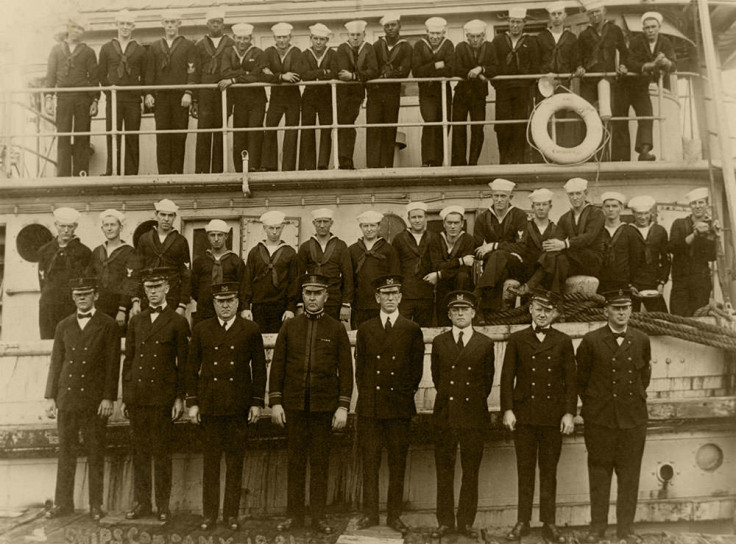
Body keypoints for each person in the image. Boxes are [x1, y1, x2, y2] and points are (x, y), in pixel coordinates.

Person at [269, 274, 353, 534]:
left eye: (318, 293)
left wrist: (342, 407)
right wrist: (276, 403)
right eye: (308, 293)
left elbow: (346, 371)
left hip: (323, 409)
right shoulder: (290, 327)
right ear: (302, 296)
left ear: (326, 297)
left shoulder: (336, 328)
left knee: (320, 463)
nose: (313, 298)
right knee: (295, 463)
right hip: (294, 408)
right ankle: (294, 516)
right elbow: (278, 367)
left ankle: (318, 516)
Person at [186, 282, 267, 531]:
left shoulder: (250, 330)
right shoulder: (202, 330)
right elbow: (191, 369)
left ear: (237, 302)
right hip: (210, 406)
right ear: (213, 303)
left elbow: (259, 369)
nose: (225, 305)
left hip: (238, 406)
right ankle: (209, 515)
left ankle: (231, 514)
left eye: (230, 300)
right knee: (210, 464)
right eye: (220, 301)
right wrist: (193, 403)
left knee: (235, 463)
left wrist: (256, 403)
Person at [501, 288, 576, 543]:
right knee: (525, 471)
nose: (542, 314)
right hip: (523, 416)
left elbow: (570, 382)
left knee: (549, 471)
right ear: (530, 309)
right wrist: (508, 409)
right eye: (538, 309)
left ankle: (549, 523)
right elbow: (506, 377)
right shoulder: (517, 339)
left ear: (554, 313)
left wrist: (568, 413)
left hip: (553, 417)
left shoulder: (564, 341)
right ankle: (522, 522)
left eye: (548, 310)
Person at [577, 288, 651, 543]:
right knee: (599, 475)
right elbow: (582, 382)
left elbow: (644, 379)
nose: (621, 313)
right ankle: (597, 528)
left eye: (626, 308)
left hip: (633, 422)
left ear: (631, 310)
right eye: (616, 308)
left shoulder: (641, 340)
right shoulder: (591, 341)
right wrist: (597, 409)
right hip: (601, 421)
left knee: (630, 476)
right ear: (606, 311)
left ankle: (626, 530)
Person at [44, 277, 120, 521]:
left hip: (94, 400)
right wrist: (50, 397)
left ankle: (96, 505)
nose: (82, 298)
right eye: (78, 295)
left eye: (87, 294)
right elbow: (56, 363)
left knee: (95, 451)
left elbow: (112, 365)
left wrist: (108, 397)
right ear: (73, 297)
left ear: (95, 295)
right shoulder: (63, 325)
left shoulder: (108, 325)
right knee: (65, 452)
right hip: (67, 397)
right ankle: (62, 503)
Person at [354, 274, 424, 533]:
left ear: (401, 297)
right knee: (369, 462)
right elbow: (360, 370)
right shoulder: (366, 328)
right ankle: (369, 514)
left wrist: (401, 395)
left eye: (395, 293)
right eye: (385, 294)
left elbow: (415, 372)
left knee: (397, 462)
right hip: (371, 407)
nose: (391, 298)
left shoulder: (411, 329)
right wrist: (369, 397)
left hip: (398, 407)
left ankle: (395, 516)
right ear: (377, 298)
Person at [122, 268, 190, 522]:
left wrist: (179, 398)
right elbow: (128, 361)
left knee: (161, 453)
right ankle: (142, 503)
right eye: (149, 287)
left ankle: (163, 505)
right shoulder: (136, 321)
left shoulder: (177, 321)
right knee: (139, 453)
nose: (153, 292)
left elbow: (182, 365)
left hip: (162, 398)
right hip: (138, 397)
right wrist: (127, 396)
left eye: (157, 286)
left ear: (167, 289)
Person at [430, 291, 495, 539]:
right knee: (444, 470)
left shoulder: (485, 343)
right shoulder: (439, 342)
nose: (460, 314)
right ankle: (445, 521)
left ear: (473, 313)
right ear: (449, 314)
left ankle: (466, 522)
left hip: (473, 416)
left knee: (470, 471)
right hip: (445, 414)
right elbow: (438, 378)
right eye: (455, 310)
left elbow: (486, 383)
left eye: (464, 310)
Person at [477, 188, 557, 315]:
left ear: (550, 206)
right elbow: (518, 247)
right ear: (532, 207)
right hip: (525, 271)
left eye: (544, 204)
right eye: (537, 205)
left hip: (547, 274)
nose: (541, 208)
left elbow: (521, 247)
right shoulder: (526, 226)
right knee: (526, 313)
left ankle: (479, 297)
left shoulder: (556, 230)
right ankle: (490, 308)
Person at [526, 177, 605, 294]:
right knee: (558, 258)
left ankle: (530, 286)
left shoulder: (596, 213)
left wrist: (565, 244)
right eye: (571, 194)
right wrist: (550, 245)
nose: (575, 197)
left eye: (578, 193)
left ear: (586, 194)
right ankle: (556, 298)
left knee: (561, 253)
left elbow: (589, 237)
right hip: (574, 262)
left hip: (592, 260)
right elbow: (556, 239)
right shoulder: (565, 218)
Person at [45, 15, 99, 177]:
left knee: (82, 135)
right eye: (74, 27)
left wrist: (95, 99)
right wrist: (48, 97)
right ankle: (63, 175)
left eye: (80, 29)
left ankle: (81, 172)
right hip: (63, 97)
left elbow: (94, 77)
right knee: (63, 135)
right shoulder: (56, 50)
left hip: (83, 98)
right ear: (68, 27)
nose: (77, 31)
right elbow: (51, 75)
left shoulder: (88, 52)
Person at [143, 11, 197, 175]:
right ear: (163, 24)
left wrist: (188, 92)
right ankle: (164, 175)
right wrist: (149, 93)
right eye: (167, 22)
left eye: (173, 22)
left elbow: (192, 70)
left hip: (181, 97)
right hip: (161, 97)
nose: (170, 25)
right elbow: (149, 72)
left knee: (179, 135)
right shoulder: (154, 47)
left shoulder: (188, 45)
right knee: (163, 135)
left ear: (179, 23)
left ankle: (176, 174)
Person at [576, 0, 629, 162]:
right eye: (591, 13)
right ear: (588, 16)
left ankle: (618, 158)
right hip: (590, 83)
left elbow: (624, 52)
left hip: (610, 81)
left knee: (614, 117)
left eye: (597, 12)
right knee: (590, 119)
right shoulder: (584, 35)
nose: (595, 15)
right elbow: (577, 57)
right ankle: (593, 157)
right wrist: (579, 67)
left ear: (604, 11)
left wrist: (623, 65)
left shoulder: (614, 30)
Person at [98, 9, 146, 175]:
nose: (125, 27)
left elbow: (145, 75)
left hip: (133, 99)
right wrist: (109, 91)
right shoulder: (106, 48)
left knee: (132, 136)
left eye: (128, 24)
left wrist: (141, 94)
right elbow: (100, 74)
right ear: (116, 25)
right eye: (122, 24)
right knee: (113, 135)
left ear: (133, 27)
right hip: (114, 98)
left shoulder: (140, 50)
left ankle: (132, 173)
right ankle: (113, 171)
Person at [625, 12, 676, 161]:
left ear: (659, 27)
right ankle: (627, 155)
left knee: (647, 116)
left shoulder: (666, 43)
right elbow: (630, 63)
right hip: (632, 84)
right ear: (643, 29)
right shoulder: (636, 42)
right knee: (630, 117)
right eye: (647, 28)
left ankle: (644, 151)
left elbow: (674, 65)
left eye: (653, 27)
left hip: (649, 86)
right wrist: (651, 65)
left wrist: (666, 62)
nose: (650, 30)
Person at [491, 8, 539, 164]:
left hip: (522, 91)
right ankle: (504, 161)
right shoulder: (498, 41)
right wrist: (498, 83)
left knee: (520, 125)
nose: (515, 25)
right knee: (503, 126)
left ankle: (519, 161)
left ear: (524, 23)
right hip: (503, 91)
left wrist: (524, 83)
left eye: (518, 22)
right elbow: (492, 64)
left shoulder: (531, 42)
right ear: (508, 22)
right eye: (512, 22)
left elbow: (535, 67)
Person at [474, 178, 528, 311]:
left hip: (515, 264)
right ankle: (492, 312)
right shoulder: (483, 218)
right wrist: (488, 251)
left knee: (498, 254)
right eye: (496, 196)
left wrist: (494, 246)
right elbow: (477, 249)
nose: (499, 199)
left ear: (510, 197)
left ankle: (477, 295)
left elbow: (522, 247)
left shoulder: (519, 216)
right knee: (498, 264)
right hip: (493, 266)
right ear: (492, 197)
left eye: (503, 196)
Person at [38, 207, 92, 339]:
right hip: (48, 305)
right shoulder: (45, 250)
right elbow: (42, 278)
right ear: (56, 225)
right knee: (49, 342)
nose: (66, 230)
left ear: (75, 227)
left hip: (71, 306)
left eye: (70, 226)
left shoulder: (84, 252)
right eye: (62, 226)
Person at [366, 13, 412, 168]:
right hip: (375, 93)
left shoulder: (406, 46)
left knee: (389, 130)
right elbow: (372, 68)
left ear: (399, 26)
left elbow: (404, 70)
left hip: (392, 93)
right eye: (387, 26)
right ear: (383, 28)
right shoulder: (377, 45)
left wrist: (387, 74)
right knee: (373, 129)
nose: (390, 29)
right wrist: (390, 71)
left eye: (393, 25)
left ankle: (386, 166)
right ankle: (372, 166)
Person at [220, 23, 266, 172]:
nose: (242, 42)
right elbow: (225, 73)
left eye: (245, 38)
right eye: (239, 38)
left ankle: (254, 166)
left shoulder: (258, 52)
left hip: (257, 99)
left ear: (250, 38)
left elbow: (257, 75)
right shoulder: (228, 52)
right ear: (234, 38)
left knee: (254, 132)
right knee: (239, 135)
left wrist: (235, 79)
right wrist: (246, 73)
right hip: (239, 100)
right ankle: (240, 168)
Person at [242, 211, 299, 333]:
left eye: (278, 228)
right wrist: (246, 307)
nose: (274, 232)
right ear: (264, 228)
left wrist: (290, 308)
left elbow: (294, 282)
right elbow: (247, 280)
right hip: (259, 306)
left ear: (282, 228)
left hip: (281, 307)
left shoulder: (290, 253)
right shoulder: (255, 252)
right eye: (271, 228)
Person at [536, 2, 583, 149]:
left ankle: (559, 151)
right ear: (549, 17)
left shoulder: (571, 38)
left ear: (565, 16)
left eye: (559, 14)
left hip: (563, 83)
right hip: (544, 84)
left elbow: (576, 60)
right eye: (553, 14)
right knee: (543, 117)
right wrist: (543, 74)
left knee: (561, 117)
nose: (556, 17)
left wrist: (579, 67)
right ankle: (545, 152)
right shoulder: (541, 37)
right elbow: (535, 61)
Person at [194, 8, 234, 174]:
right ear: (207, 24)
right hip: (205, 94)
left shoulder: (231, 43)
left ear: (223, 24)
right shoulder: (199, 45)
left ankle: (219, 170)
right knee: (203, 131)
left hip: (224, 93)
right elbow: (194, 72)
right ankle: (201, 171)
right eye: (212, 22)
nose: (216, 25)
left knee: (220, 132)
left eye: (219, 22)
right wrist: (195, 99)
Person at [452, 19, 496, 166]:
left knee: (478, 129)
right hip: (461, 95)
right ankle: (460, 164)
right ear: (467, 36)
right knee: (459, 129)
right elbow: (456, 68)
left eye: (478, 36)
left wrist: (481, 69)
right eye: (472, 36)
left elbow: (496, 67)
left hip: (479, 95)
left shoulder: (490, 48)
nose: (475, 40)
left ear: (483, 36)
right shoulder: (460, 47)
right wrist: (474, 72)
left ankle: (473, 163)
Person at [668, 187, 718, 317]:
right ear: (690, 205)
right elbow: (672, 248)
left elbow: (712, 256)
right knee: (679, 316)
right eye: (694, 203)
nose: (698, 206)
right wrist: (695, 234)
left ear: (706, 204)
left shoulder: (711, 226)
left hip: (701, 281)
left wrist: (711, 235)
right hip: (681, 280)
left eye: (701, 202)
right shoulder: (679, 224)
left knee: (699, 316)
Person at [296, 208, 353, 321]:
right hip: (311, 300)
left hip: (334, 300)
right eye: (319, 222)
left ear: (331, 223)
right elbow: (299, 276)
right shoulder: (305, 247)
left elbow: (348, 276)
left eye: (325, 222)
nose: (322, 225)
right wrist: (299, 304)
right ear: (314, 223)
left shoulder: (341, 246)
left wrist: (346, 304)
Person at [335, 20, 378, 169]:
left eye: (358, 35)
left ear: (364, 35)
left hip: (357, 94)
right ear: (348, 35)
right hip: (342, 94)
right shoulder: (342, 48)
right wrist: (361, 74)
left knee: (348, 123)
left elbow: (373, 70)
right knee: (344, 124)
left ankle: (346, 159)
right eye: (352, 35)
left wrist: (354, 76)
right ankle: (344, 160)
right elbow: (342, 72)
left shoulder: (369, 49)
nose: (355, 38)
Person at [136, 199, 191, 314]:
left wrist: (182, 304)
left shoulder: (181, 241)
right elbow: (137, 270)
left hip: (172, 298)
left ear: (175, 217)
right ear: (156, 215)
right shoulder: (145, 239)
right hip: (148, 297)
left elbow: (186, 275)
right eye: (163, 214)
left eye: (170, 215)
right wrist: (136, 300)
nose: (166, 219)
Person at [412, 17, 455, 167]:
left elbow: (451, 69)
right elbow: (416, 71)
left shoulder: (448, 44)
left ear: (443, 33)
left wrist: (428, 69)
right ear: (427, 32)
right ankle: (428, 161)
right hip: (427, 93)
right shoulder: (419, 46)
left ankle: (439, 161)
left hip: (444, 92)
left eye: (438, 33)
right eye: (432, 33)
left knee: (444, 125)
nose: (435, 37)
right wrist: (437, 65)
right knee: (430, 123)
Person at [88, 209, 141, 327]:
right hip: (99, 306)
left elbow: (131, 281)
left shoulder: (129, 252)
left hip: (119, 307)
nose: (109, 228)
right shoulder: (97, 252)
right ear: (102, 229)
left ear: (120, 228)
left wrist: (122, 309)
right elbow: (90, 278)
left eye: (113, 224)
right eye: (106, 225)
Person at [260, 22, 302, 172]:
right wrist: (282, 76)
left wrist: (274, 75)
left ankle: (288, 167)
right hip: (276, 97)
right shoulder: (269, 52)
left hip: (293, 98)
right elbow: (264, 72)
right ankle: (269, 165)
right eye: (279, 37)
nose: (282, 40)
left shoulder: (296, 52)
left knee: (291, 131)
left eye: (284, 37)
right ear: (274, 38)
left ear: (290, 37)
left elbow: (297, 74)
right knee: (270, 128)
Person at [426, 206, 476, 326]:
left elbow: (466, 269)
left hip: (462, 286)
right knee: (443, 321)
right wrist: (460, 261)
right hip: (443, 287)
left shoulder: (468, 240)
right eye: (449, 223)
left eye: (456, 223)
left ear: (462, 224)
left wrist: (440, 274)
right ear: (444, 224)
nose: (453, 226)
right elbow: (437, 265)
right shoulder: (436, 240)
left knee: (462, 275)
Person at [349, 210, 400, 328]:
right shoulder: (352, 250)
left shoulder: (388, 250)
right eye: (365, 226)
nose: (369, 229)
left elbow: (394, 276)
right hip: (359, 303)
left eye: (372, 225)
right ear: (360, 227)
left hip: (382, 303)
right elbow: (349, 278)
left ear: (378, 227)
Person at [191, 219, 245, 326]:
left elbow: (243, 287)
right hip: (205, 311)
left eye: (220, 235)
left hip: (228, 310)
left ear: (226, 236)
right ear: (208, 237)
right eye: (212, 235)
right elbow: (194, 288)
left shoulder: (236, 261)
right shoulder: (199, 261)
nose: (216, 239)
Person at [392, 202, 439, 326]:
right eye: (413, 217)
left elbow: (437, 263)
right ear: (408, 219)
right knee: (402, 328)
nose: (417, 220)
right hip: (405, 294)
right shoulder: (399, 239)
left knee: (424, 330)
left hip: (426, 293)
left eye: (420, 217)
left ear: (426, 218)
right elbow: (394, 266)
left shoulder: (434, 238)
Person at [299, 24, 337, 170]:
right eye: (316, 39)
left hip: (326, 96)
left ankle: (322, 164)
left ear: (326, 40)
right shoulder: (305, 54)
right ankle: (308, 165)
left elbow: (334, 72)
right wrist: (322, 72)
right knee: (308, 129)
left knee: (326, 129)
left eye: (322, 39)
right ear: (311, 39)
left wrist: (313, 73)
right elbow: (303, 74)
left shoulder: (332, 54)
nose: (319, 42)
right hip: (309, 96)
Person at [628, 196, 670, 313]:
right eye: (639, 214)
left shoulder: (659, 231)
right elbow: (623, 260)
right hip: (633, 283)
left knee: (661, 318)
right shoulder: (627, 231)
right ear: (633, 213)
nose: (643, 217)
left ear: (651, 213)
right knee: (631, 320)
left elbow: (666, 259)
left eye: (646, 213)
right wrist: (629, 284)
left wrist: (662, 282)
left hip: (653, 282)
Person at [597, 192, 640, 293]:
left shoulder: (630, 231)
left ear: (621, 208)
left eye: (614, 206)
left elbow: (636, 260)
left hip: (623, 283)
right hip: (601, 283)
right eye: (607, 206)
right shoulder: (597, 231)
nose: (611, 209)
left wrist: (633, 283)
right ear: (603, 208)